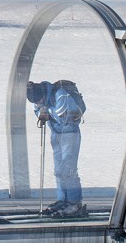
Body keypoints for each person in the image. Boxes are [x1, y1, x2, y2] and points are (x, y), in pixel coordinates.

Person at [26, 78, 87, 219]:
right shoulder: (39, 96)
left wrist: (47, 111)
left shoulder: (60, 94)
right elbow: (39, 111)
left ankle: (74, 202)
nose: (39, 103)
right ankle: (63, 199)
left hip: (69, 134)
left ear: (42, 95)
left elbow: (64, 118)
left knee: (68, 169)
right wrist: (42, 112)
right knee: (59, 170)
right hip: (56, 133)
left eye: (40, 100)